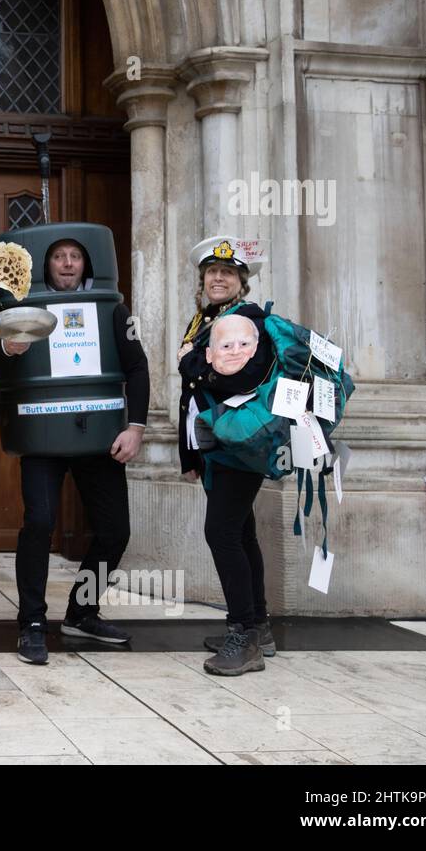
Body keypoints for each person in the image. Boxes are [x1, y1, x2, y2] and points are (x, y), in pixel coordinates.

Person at [0, 235, 149, 665]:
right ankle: (32, 623)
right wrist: (7, 346)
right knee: (39, 523)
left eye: (76, 256)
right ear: (46, 263)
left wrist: (136, 427)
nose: (68, 263)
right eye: (59, 256)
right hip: (43, 436)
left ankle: (82, 612)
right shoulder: (19, 307)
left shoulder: (112, 308)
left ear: (87, 261)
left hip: (99, 436)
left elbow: (137, 366)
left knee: (115, 530)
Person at [177, 237, 275, 676]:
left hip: (239, 447)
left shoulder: (246, 320)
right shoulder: (205, 321)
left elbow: (241, 378)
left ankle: (243, 636)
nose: (218, 278)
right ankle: (258, 625)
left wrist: (192, 364)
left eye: (228, 273)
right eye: (212, 273)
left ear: (242, 283)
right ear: (203, 279)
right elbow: (198, 396)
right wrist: (192, 454)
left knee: (221, 532)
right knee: (242, 531)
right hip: (217, 446)